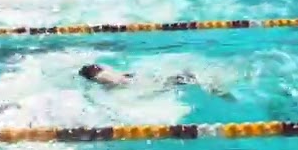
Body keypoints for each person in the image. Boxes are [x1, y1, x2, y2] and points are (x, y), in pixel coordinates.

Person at [79, 64, 233, 99]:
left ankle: (215, 89)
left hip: (140, 83)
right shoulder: (106, 73)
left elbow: (120, 82)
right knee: (180, 79)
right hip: (139, 79)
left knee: (180, 81)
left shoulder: (101, 78)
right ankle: (214, 87)